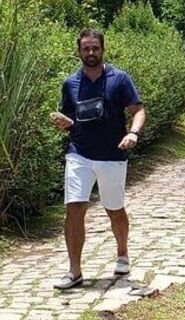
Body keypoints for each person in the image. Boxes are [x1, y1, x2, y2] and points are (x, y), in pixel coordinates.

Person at [50, 29, 147, 290]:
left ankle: (123, 253)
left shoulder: (120, 78)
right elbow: (71, 118)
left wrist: (133, 133)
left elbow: (138, 110)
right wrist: (64, 122)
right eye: (86, 48)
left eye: (95, 48)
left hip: (112, 155)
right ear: (79, 51)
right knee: (74, 207)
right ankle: (74, 271)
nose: (90, 53)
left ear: (103, 49)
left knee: (114, 209)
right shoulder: (70, 83)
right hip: (79, 153)